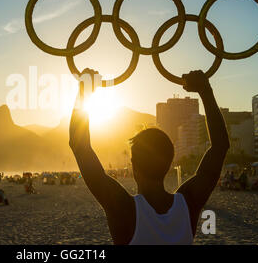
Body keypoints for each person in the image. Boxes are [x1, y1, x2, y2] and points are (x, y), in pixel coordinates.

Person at [69, 69, 230, 245]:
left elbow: (80, 147)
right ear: (169, 164)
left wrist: (84, 91)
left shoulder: (125, 210)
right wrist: (205, 90)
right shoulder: (188, 203)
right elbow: (220, 146)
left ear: (133, 166)